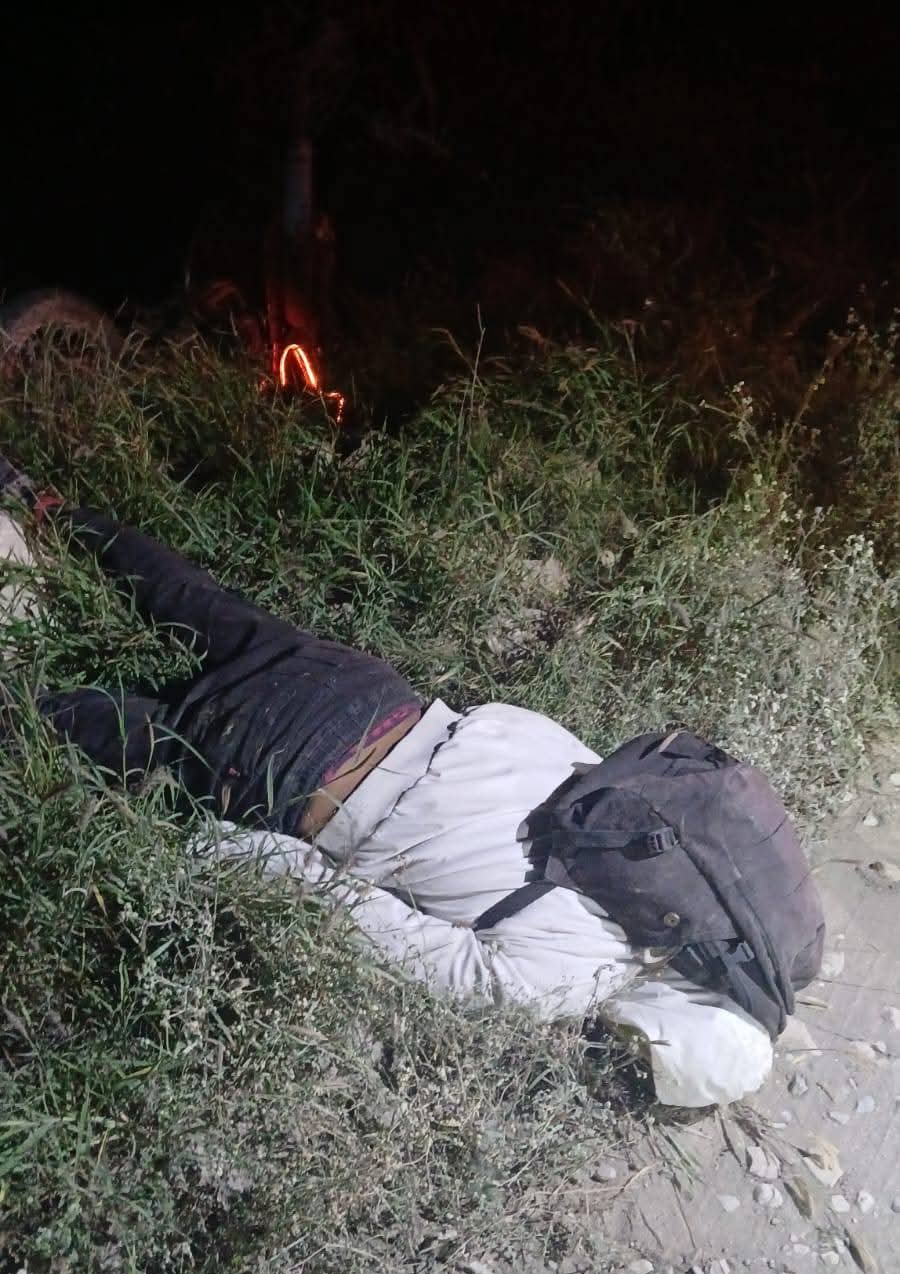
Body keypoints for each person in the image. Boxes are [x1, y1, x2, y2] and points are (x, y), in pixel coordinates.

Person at [1, 451, 774, 1108]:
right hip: (301, 768)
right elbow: (342, 906)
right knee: (57, 723)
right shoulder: (558, 985)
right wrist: (204, 848)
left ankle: (40, 502)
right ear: (649, 1040)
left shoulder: (644, 835)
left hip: (371, 692)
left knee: (189, 596)